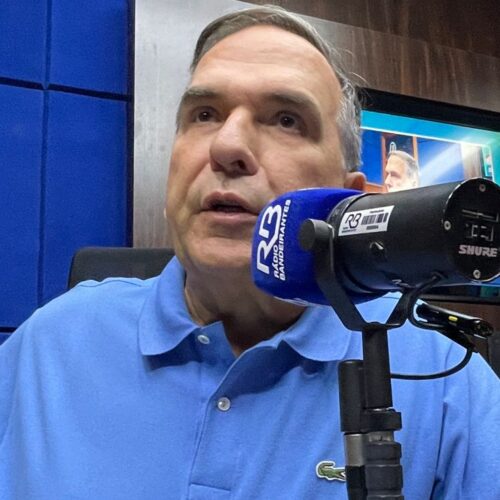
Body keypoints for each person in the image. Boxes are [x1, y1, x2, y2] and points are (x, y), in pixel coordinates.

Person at [1, 6, 499, 499]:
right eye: (204, 114)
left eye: (286, 120)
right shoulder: (47, 347)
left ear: (347, 198)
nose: (227, 146)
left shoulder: (446, 383)